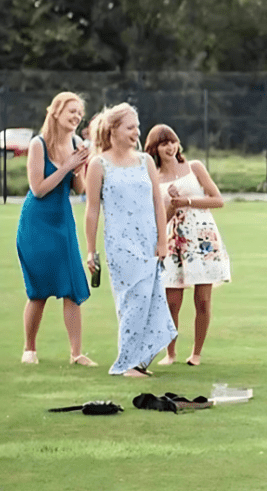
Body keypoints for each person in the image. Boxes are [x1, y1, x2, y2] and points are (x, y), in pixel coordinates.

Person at [84, 103, 177, 378]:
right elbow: (92, 210)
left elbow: (158, 204)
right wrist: (91, 251)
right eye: (130, 127)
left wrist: (162, 241)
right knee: (133, 301)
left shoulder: (145, 161)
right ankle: (128, 363)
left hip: (149, 242)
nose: (137, 132)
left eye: (137, 127)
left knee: (151, 301)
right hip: (120, 245)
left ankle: (139, 362)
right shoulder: (98, 164)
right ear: (113, 130)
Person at [17, 92, 96, 366]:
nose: (76, 116)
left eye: (79, 112)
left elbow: (79, 189)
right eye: (71, 111)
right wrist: (67, 166)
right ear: (56, 112)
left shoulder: (75, 144)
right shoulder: (38, 144)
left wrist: (80, 167)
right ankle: (29, 349)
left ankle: (76, 354)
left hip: (63, 222)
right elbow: (38, 189)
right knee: (39, 289)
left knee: (72, 285)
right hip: (37, 223)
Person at [143, 124, 231, 367]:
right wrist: (173, 204)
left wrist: (188, 201)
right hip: (174, 242)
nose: (170, 147)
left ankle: (196, 353)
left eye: (172, 141)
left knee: (203, 300)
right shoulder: (154, 177)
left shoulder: (194, 167)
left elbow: (218, 200)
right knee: (172, 302)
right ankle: (170, 353)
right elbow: (160, 218)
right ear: (155, 149)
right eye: (164, 144)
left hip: (202, 239)